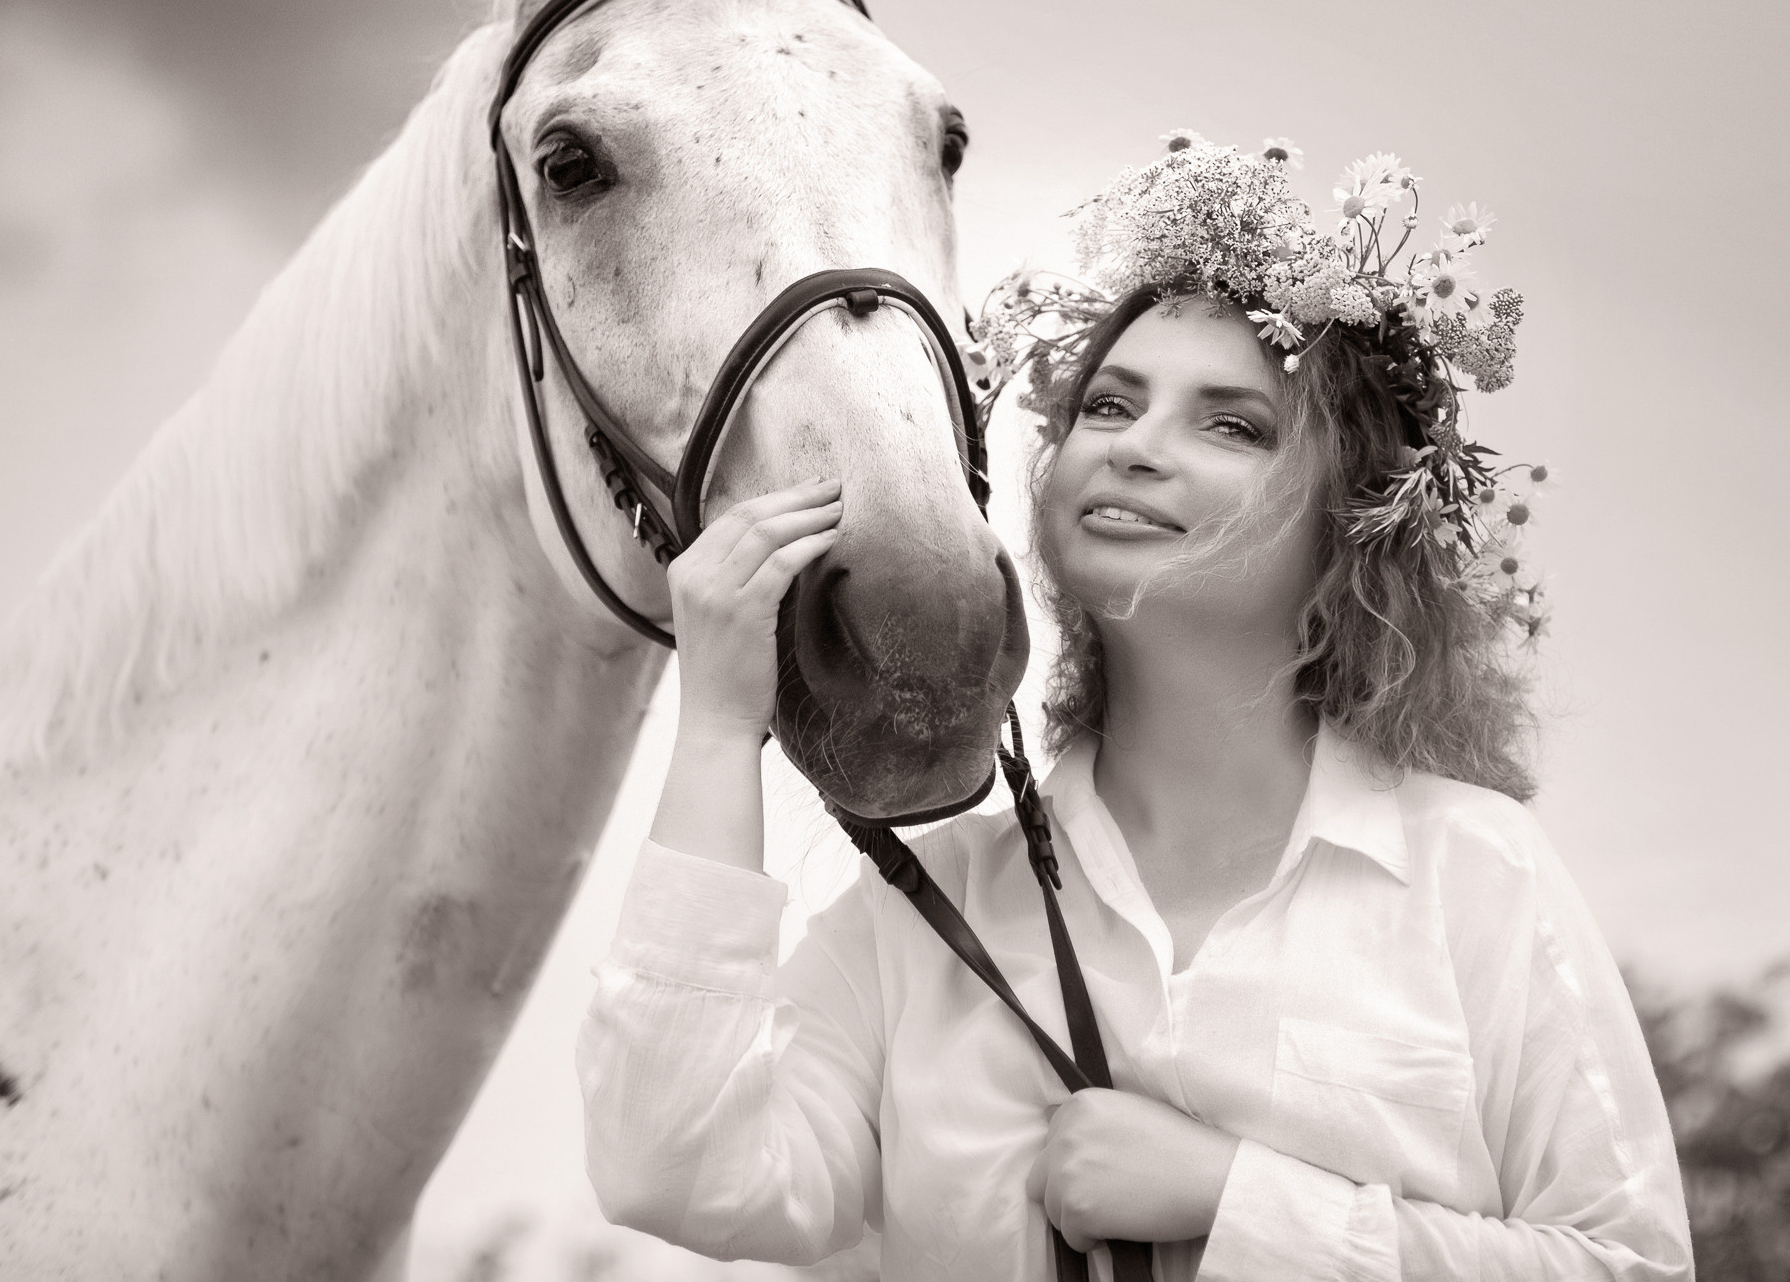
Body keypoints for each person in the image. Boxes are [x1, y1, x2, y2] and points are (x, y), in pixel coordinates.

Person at [578, 134, 1694, 1280]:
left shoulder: (1473, 870)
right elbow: (675, 1169)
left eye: (1232, 423)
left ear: (1351, 521)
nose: (1136, 448)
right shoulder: (915, 920)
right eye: (1108, 407)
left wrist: (1236, 1198)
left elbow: (1631, 1265)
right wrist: (717, 729)